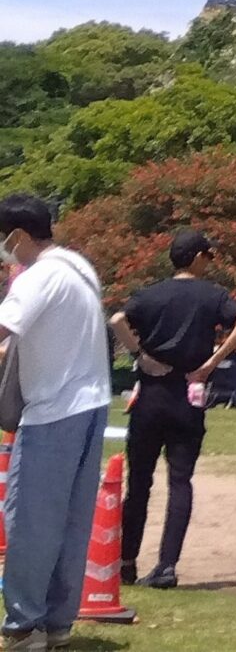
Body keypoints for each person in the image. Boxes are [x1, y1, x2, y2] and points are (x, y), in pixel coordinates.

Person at [108, 228, 236, 589]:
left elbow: (117, 320)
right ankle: (167, 565)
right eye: (207, 257)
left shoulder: (150, 293)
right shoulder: (212, 295)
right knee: (180, 480)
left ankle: (127, 561)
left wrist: (140, 355)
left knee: (139, 482)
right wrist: (211, 363)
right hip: (189, 392)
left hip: (151, 391)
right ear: (198, 257)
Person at [0, 192, 113, 647]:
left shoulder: (38, 277)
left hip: (52, 411)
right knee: (71, 521)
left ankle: (24, 624)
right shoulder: (79, 267)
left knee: (30, 520)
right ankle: (57, 621)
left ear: (18, 235)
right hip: (91, 405)